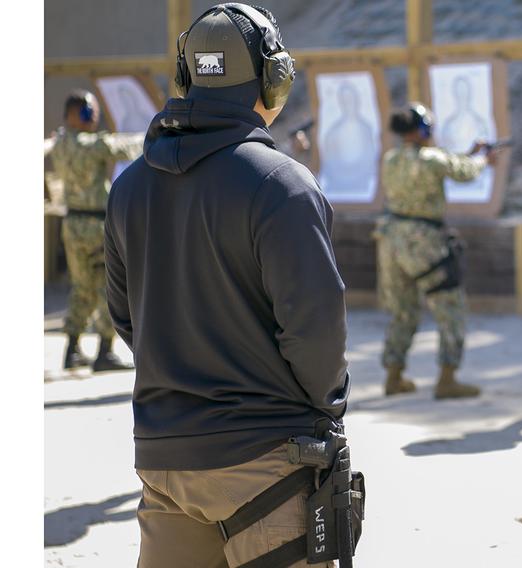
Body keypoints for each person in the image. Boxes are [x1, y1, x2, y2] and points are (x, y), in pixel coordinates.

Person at [104, 4, 355, 567]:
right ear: (272, 79)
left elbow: (127, 318)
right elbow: (316, 327)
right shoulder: (280, 184)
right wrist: (322, 407)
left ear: (186, 80)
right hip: (264, 461)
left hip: (166, 459)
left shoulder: (130, 187)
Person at [375, 103, 496, 399]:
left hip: (392, 240)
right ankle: (447, 378)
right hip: (424, 242)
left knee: (403, 311)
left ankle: (393, 375)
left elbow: (442, 165)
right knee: (450, 307)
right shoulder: (432, 158)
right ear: (423, 130)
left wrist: (469, 154)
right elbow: (463, 173)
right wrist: (482, 160)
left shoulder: (391, 159)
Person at [48, 89, 143, 372]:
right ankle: (104, 350)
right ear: (77, 115)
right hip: (96, 225)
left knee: (80, 287)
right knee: (108, 288)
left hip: (72, 224)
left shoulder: (60, 143)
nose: (94, 117)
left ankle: (72, 348)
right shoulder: (93, 145)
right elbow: (129, 147)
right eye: (90, 112)